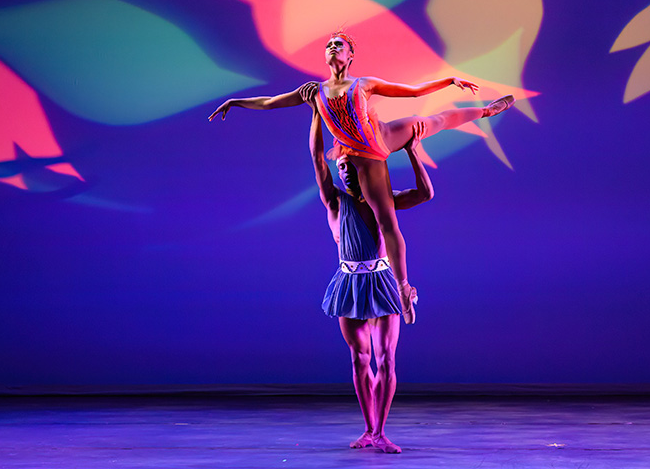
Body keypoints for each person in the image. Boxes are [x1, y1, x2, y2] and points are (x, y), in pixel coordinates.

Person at [209, 31, 515, 324]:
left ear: (350, 55)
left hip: (382, 135)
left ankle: (487, 111)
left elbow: (413, 91)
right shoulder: (314, 92)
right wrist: (236, 102)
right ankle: (404, 291)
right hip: (364, 158)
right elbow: (271, 102)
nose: (332, 47)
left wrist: (450, 80)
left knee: (432, 120)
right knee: (386, 220)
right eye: (328, 44)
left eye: (338, 44)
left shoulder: (364, 84)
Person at [307, 99, 432, 453]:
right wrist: (317, 114)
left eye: (352, 164)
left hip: (382, 281)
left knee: (386, 358)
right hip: (349, 283)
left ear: (364, 166)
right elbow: (318, 160)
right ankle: (368, 429)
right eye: (342, 166)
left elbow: (425, 193)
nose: (346, 170)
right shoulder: (335, 202)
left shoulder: (385, 199)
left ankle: (380, 431)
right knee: (360, 359)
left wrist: (413, 151)